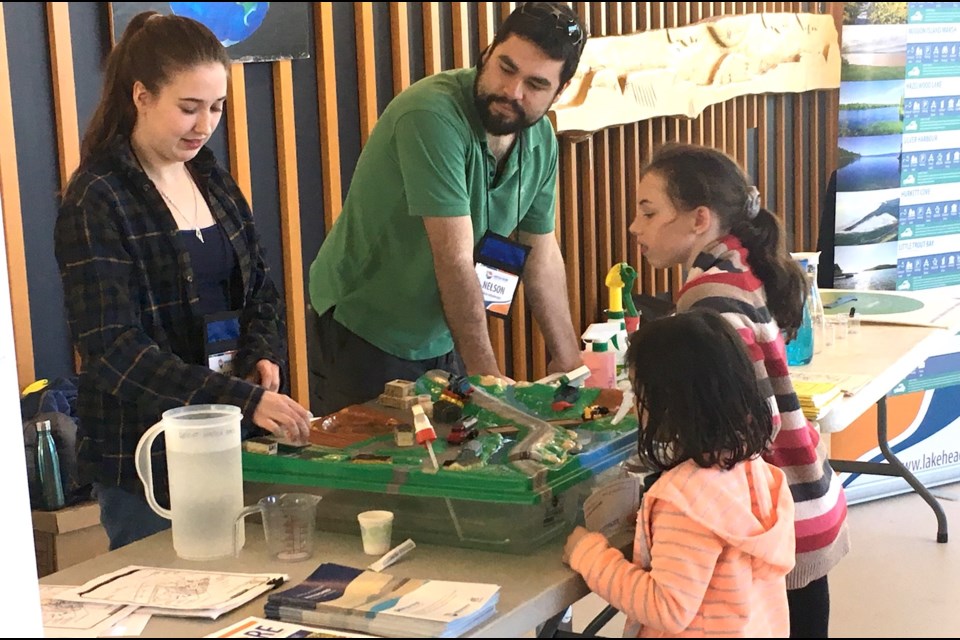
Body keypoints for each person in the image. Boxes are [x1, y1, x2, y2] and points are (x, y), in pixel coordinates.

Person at [54, 11, 311, 550]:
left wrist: (263, 353)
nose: (204, 124)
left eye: (216, 108)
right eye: (188, 108)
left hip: (231, 434)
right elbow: (114, 349)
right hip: (145, 453)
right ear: (141, 96)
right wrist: (237, 398)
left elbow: (261, 285)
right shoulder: (97, 197)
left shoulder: (209, 175)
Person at [307, 2, 587, 417]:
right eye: (506, 68)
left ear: (559, 91)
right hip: (365, 324)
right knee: (375, 470)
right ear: (488, 52)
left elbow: (541, 251)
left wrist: (569, 362)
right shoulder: (431, 115)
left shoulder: (541, 139)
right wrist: (485, 377)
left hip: (442, 329)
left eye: (535, 84)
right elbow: (453, 258)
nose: (513, 91)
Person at [626, 143, 850, 638]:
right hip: (801, 501)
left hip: (779, 517)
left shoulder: (710, 294)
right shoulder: (736, 264)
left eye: (648, 212)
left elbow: (743, 420)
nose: (634, 228)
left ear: (699, 218)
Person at [564, 309, 796, 637]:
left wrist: (588, 554)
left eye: (638, 395)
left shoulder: (681, 501)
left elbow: (666, 608)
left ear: (668, 405)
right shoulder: (754, 470)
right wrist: (656, 525)